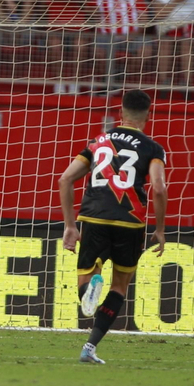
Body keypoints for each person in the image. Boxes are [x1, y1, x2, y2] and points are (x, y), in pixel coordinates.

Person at [57, 89, 167, 365]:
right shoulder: (153, 148)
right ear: (148, 116)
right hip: (131, 222)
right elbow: (159, 188)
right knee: (119, 286)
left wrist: (70, 226)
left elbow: (65, 179)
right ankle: (90, 347)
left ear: (120, 113)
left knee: (87, 283)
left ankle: (89, 293)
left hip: (93, 217)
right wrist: (161, 229)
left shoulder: (98, 142)